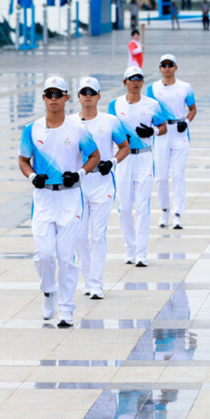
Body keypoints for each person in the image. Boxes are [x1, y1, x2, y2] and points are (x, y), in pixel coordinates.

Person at [18, 77, 100, 327]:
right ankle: (49, 291)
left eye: (58, 94)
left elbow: (94, 155)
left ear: (66, 97)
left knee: (65, 257)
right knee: (43, 254)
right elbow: (23, 160)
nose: (53, 98)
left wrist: (80, 173)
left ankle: (66, 309)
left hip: (70, 197)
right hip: (43, 199)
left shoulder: (79, 130)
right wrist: (33, 176)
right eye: (49, 94)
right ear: (43, 98)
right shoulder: (31, 129)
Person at [71, 77, 130, 300]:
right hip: (78, 185)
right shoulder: (69, 122)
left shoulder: (111, 121)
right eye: (83, 91)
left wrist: (113, 161)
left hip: (102, 182)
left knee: (97, 234)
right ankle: (87, 278)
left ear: (98, 96)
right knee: (79, 236)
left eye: (92, 92)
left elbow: (124, 146)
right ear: (78, 96)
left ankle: (96, 283)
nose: (87, 95)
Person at [109, 67, 169, 267]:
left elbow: (163, 128)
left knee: (143, 207)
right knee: (125, 207)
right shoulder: (114, 105)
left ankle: (142, 253)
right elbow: (110, 129)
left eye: (139, 79)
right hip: (124, 159)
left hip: (144, 157)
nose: (136, 82)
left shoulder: (153, 104)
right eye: (132, 79)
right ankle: (130, 248)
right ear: (125, 81)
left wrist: (151, 130)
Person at [146, 54, 197, 229]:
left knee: (178, 175)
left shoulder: (185, 87)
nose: (167, 68)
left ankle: (177, 213)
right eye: (163, 65)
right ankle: (164, 209)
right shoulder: (152, 88)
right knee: (161, 176)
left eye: (170, 65)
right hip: (161, 132)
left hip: (180, 132)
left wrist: (187, 122)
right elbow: (147, 110)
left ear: (176, 67)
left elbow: (192, 109)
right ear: (160, 68)